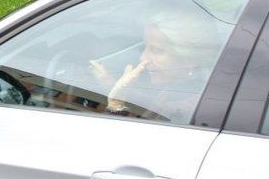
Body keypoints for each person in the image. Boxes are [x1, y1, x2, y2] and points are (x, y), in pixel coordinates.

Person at [90, 10, 223, 123]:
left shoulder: (188, 113)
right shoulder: (183, 89)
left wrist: (115, 105)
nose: (143, 58)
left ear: (190, 60)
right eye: (145, 47)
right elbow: (153, 104)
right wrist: (113, 87)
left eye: (156, 50)